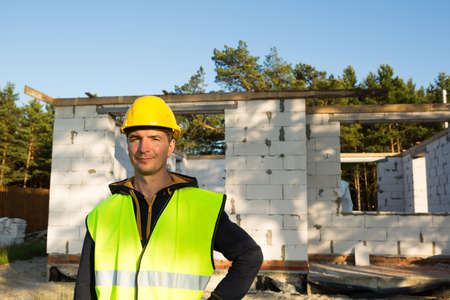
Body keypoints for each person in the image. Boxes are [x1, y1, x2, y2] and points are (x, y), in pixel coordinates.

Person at [74, 96, 263, 300]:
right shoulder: (102, 214)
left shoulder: (202, 208)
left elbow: (249, 255)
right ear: (127, 145)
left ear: (170, 146)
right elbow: (85, 286)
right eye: (135, 138)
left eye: (155, 138)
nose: (143, 148)